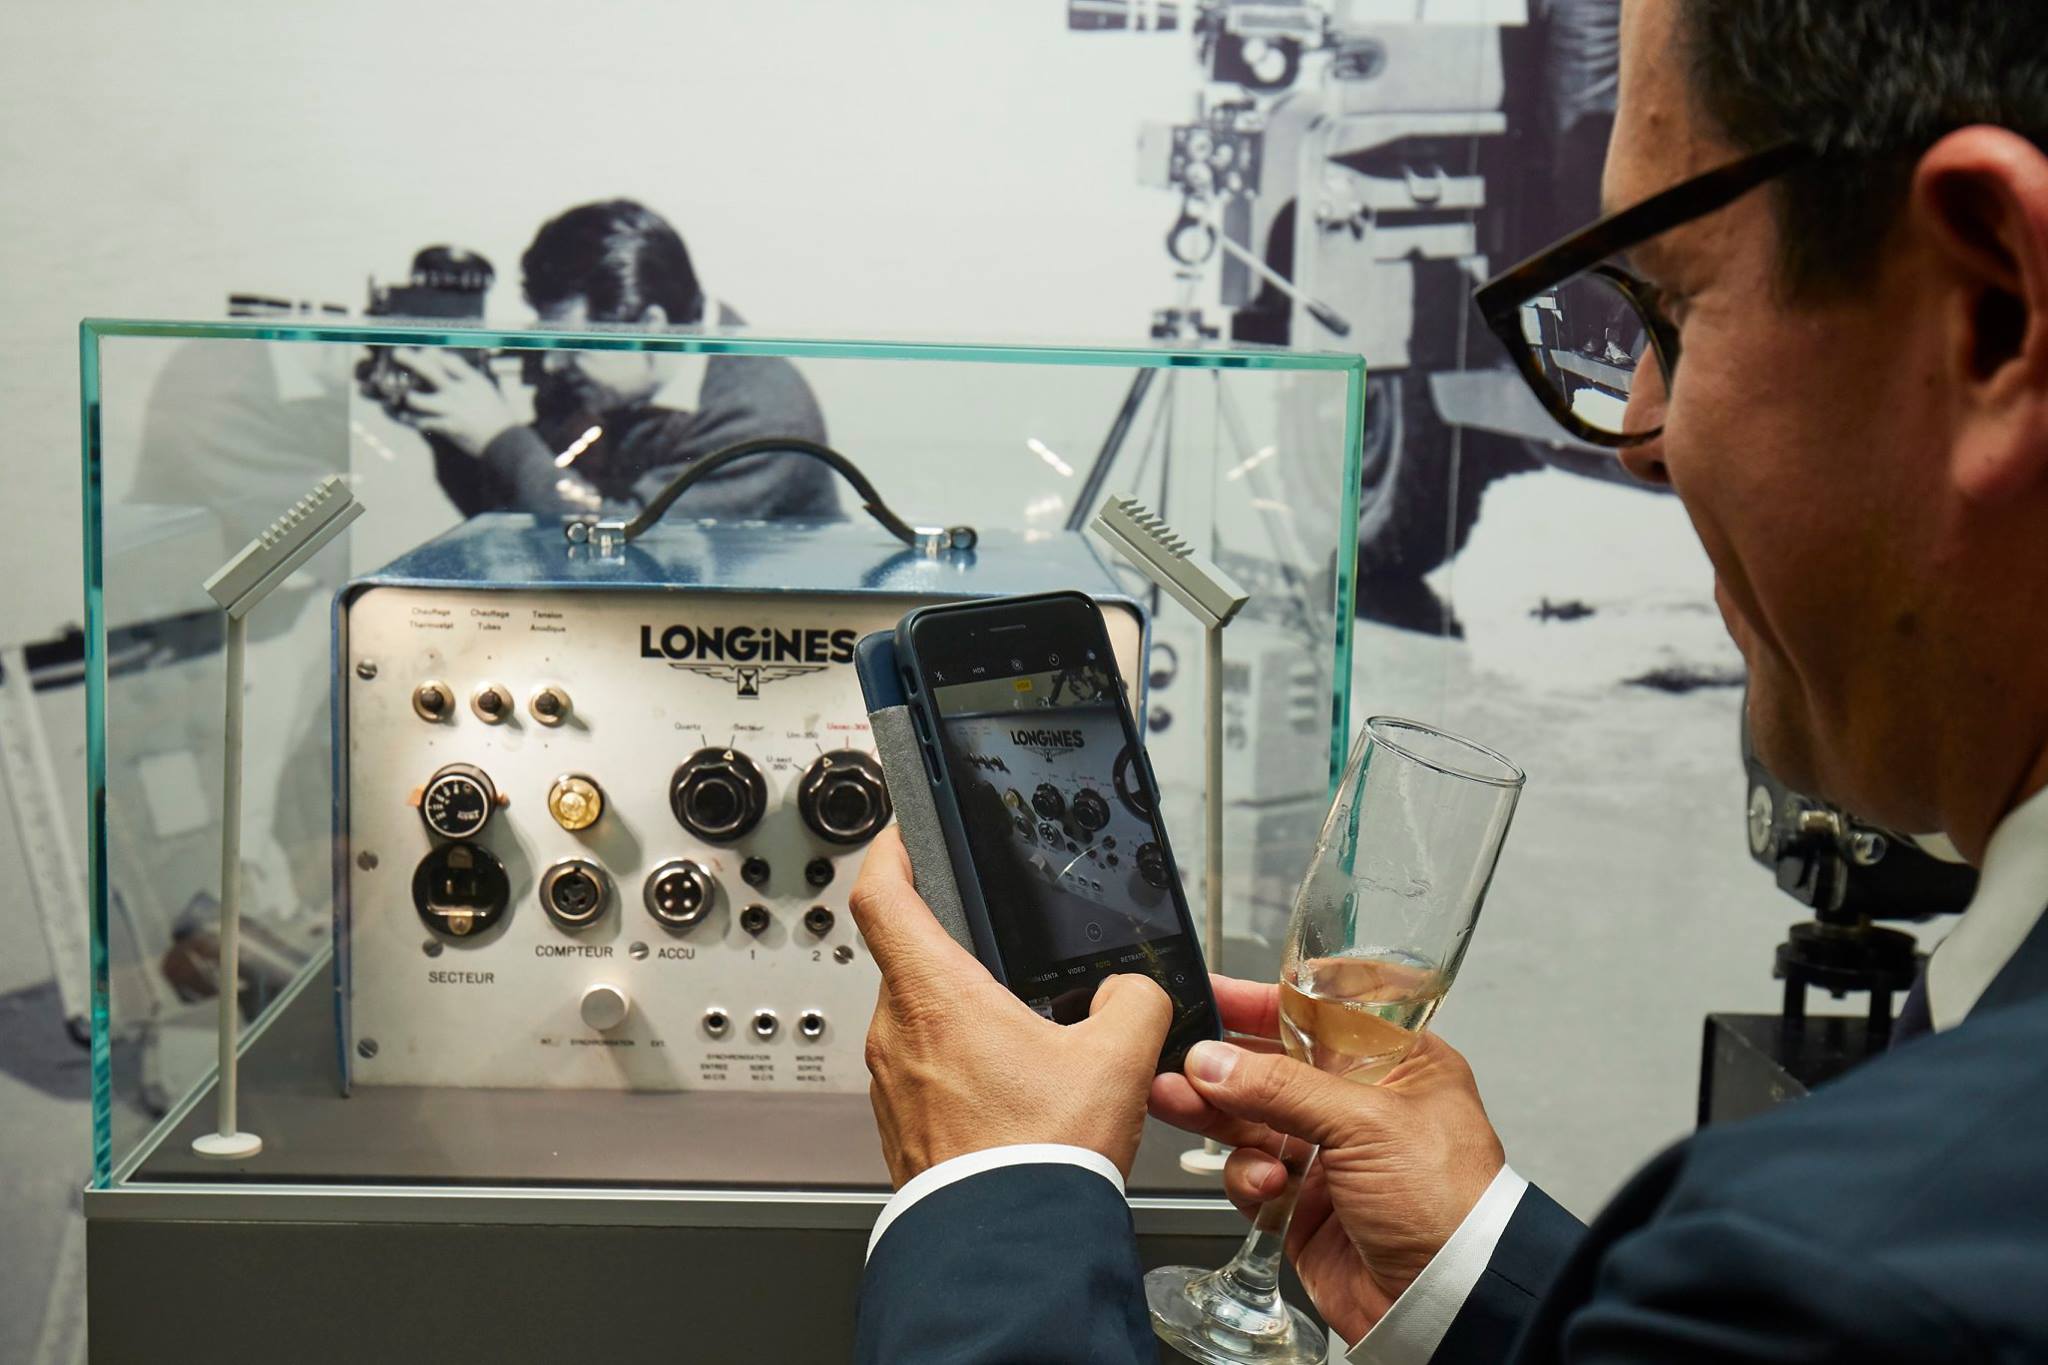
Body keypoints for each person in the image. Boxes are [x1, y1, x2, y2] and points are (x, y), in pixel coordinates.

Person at [850, 0, 2048, 1359]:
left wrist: (993, 1195)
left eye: (1671, 302)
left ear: (1993, 308)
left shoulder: (1862, 1261)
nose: (1636, 434)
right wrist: (1470, 1271)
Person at [392, 199, 842, 521]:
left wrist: (500, 439)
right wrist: (451, 424)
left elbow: (626, 550)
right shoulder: (604, 379)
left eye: (572, 347)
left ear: (650, 327)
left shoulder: (757, 417)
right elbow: (519, 512)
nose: (552, 366)